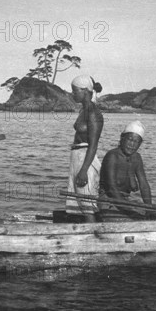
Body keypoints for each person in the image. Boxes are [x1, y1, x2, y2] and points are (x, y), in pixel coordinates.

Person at [98, 121, 156, 221]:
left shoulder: (137, 158)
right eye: (129, 140)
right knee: (134, 221)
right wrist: (129, 210)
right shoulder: (112, 156)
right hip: (108, 201)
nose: (132, 145)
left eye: (136, 142)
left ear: (140, 144)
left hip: (125, 201)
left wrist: (149, 209)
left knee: (155, 218)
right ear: (122, 138)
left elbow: (144, 185)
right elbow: (112, 189)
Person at [66, 74, 104, 223]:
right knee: (80, 203)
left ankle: (94, 237)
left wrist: (83, 170)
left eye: (75, 91)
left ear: (85, 91)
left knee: (87, 204)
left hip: (85, 161)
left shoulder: (94, 114)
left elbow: (93, 145)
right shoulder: (84, 111)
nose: (73, 94)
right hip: (77, 158)